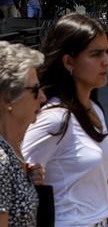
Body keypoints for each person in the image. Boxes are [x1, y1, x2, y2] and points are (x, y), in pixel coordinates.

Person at [22, 14, 108, 226]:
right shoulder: (54, 119)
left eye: (107, 52)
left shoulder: (94, 110)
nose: (107, 61)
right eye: (96, 54)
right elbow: (15, 181)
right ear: (68, 61)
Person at [0, 41, 47, 227]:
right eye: (35, 90)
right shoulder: (2, 161)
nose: (43, 98)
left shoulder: (11, 151)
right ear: (8, 98)